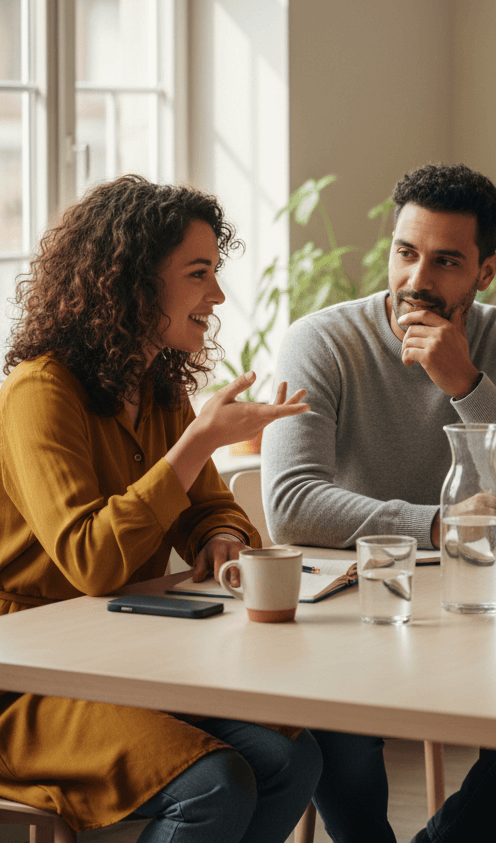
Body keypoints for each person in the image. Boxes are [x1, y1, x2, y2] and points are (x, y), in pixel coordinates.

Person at [263, 163, 496, 843]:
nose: (417, 280)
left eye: (445, 261)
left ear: (486, 269)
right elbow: (291, 503)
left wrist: (467, 383)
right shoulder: (321, 341)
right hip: (357, 619)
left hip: (492, 614)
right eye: (406, 253)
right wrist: (442, 525)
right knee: (337, 737)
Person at [0, 176, 320, 843]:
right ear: (135, 284)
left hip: (119, 660)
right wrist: (199, 441)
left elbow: (212, 508)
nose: (218, 295)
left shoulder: (158, 389)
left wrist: (222, 538)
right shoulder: (39, 392)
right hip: (27, 684)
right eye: (198, 273)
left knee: (292, 759)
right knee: (216, 785)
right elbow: (91, 561)